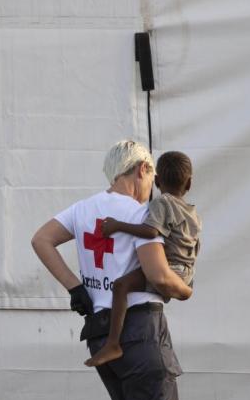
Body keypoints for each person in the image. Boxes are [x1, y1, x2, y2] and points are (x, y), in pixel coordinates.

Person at [31, 139, 193, 400]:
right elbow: (158, 276)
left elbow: (41, 239)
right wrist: (184, 290)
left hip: (102, 335)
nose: (152, 189)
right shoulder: (143, 215)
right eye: (151, 178)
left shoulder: (82, 209)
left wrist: (76, 288)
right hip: (141, 332)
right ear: (142, 169)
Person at [85, 151, 201, 368]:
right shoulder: (193, 212)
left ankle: (113, 344)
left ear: (156, 181)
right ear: (189, 184)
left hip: (170, 269)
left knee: (121, 286)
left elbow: (150, 231)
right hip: (186, 273)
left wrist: (117, 225)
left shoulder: (161, 203)